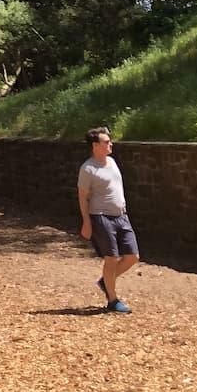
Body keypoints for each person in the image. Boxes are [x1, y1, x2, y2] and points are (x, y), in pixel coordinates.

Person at [77, 126, 138, 314]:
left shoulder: (112, 162)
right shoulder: (88, 169)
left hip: (121, 216)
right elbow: (82, 197)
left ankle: (105, 281)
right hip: (101, 217)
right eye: (106, 142)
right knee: (111, 258)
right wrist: (86, 222)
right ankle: (113, 300)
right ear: (95, 146)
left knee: (132, 257)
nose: (110, 144)